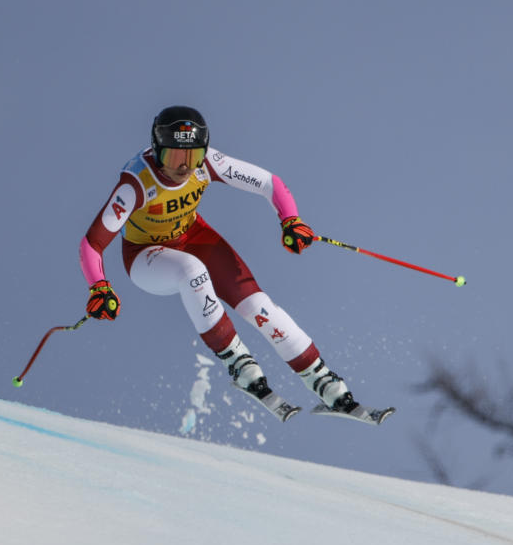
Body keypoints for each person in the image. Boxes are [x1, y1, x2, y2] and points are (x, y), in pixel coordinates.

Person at [79, 105, 367, 419]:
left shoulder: (209, 163)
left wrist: (290, 220)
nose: (184, 167)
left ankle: (325, 382)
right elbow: (92, 243)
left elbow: (269, 183)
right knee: (192, 272)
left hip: (194, 236)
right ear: (157, 150)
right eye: (174, 157)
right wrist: (99, 287)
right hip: (145, 255)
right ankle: (239, 364)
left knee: (259, 306)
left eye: (193, 156)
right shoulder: (135, 182)